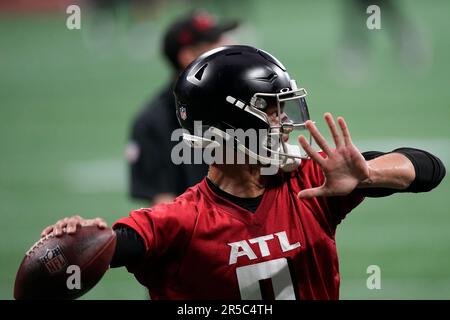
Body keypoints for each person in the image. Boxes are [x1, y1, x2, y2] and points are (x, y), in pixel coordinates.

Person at [42, 46, 445, 299]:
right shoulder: (180, 221)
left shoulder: (311, 184)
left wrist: (368, 176)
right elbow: (105, 248)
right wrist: (78, 237)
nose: (284, 122)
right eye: (270, 109)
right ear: (225, 125)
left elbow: (429, 168)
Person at [127, 10, 239, 205]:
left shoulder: (239, 102)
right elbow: (164, 205)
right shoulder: (152, 123)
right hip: (197, 231)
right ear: (188, 56)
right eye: (215, 45)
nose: (227, 48)